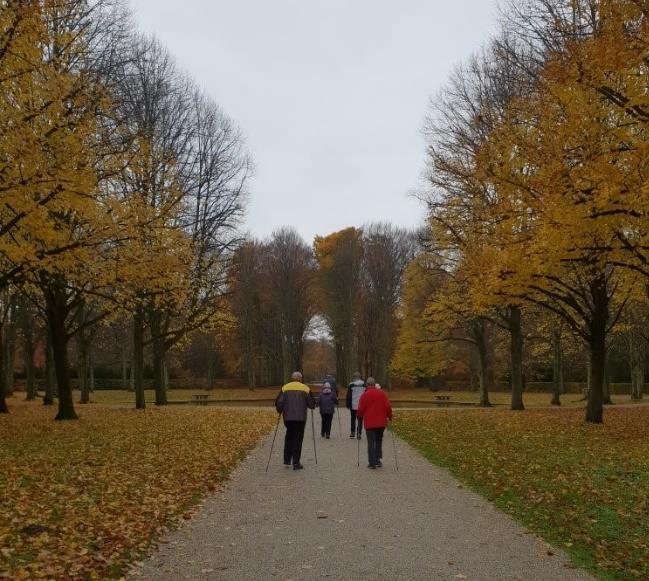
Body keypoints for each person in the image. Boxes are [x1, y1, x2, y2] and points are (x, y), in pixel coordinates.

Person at [275, 371, 315, 470]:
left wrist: (280, 410)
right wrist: (312, 405)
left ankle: (287, 460)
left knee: (289, 436)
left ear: (292, 378)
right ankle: (296, 463)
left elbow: (279, 403)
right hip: (300, 418)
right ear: (300, 379)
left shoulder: (285, 388)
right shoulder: (305, 388)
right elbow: (312, 404)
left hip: (288, 418)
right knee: (298, 439)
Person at [357, 377, 392, 469]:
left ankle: (372, 462)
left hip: (370, 423)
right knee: (378, 441)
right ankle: (378, 460)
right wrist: (389, 416)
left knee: (371, 442)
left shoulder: (365, 395)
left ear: (367, 385)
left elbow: (360, 409)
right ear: (374, 384)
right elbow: (388, 406)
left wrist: (359, 416)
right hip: (381, 422)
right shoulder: (382, 393)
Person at [346, 371, 366, 439]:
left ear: (354, 377)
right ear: (360, 377)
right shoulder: (364, 384)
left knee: (353, 418)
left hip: (353, 404)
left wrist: (348, 404)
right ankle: (359, 433)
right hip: (361, 405)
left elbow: (348, 395)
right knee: (360, 419)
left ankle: (352, 432)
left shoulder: (351, 384)